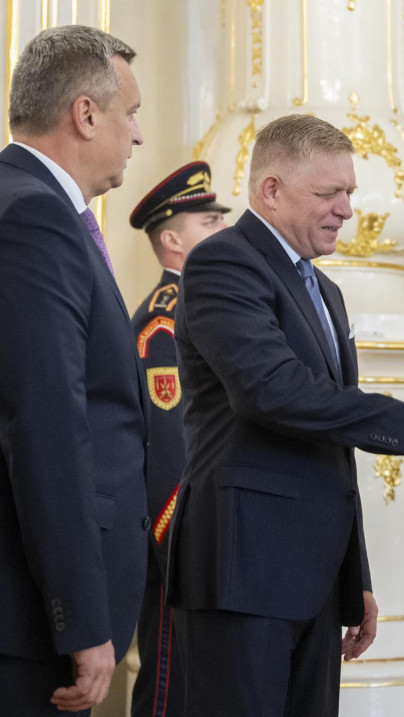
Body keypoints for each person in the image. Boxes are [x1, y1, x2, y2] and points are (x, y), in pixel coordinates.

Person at [164, 113, 404, 716]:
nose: (346, 210)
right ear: (271, 190)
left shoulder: (322, 290)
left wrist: (352, 581)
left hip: (311, 581)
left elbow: (328, 447)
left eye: (350, 193)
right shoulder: (223, 262)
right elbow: (272, 391)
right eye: (330, 193)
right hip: (242, 575)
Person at [0, 25, 147, 716]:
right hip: (31, 619)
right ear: (86, 113)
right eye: (130, 113)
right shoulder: (31, 218)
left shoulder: (14, 203)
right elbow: (45, 426)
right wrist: (79, 617)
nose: (137, 135)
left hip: (27, 609)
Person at [127, 161, 230, 717]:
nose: (221, 231)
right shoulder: (163, 323)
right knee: (170, 686)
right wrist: (183, 543)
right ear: (171, 239)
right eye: (208, 223)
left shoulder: (199, 307)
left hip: (204, 530)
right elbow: (168, 448)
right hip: (178, 541)